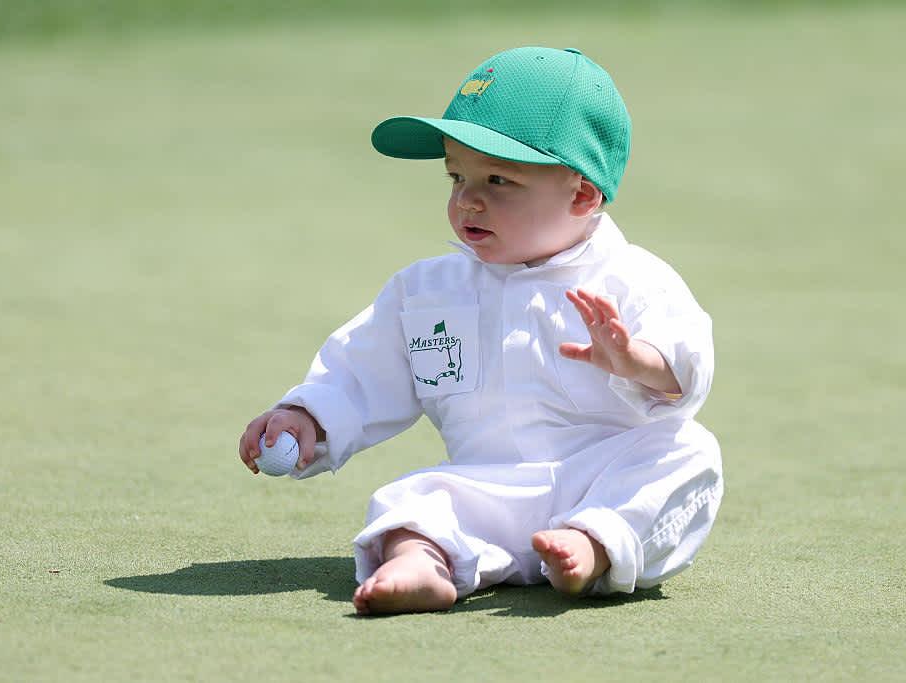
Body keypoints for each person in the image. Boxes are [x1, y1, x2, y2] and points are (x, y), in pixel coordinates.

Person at [238, 47, 723, 616]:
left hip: (603, 479)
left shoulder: (633, 279)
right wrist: (310, 416)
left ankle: (594, 543)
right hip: (485, 488)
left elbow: (689, 363)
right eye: (456, 175)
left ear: (583, 194)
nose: (468, 198)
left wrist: (636, 360)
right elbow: (361, 367)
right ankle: (421, 563)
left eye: (498, 178)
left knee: (691, 452)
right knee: (413, 498)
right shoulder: (428, 290)